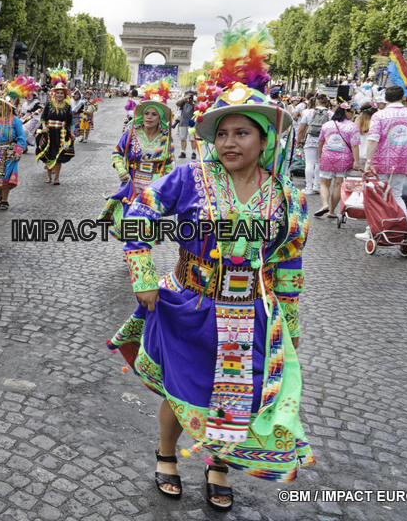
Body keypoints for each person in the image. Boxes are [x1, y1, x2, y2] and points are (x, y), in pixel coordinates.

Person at [107, 28, 313, 510]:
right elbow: (140, 213)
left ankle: (218, 464)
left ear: (265, 138)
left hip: (252, 314)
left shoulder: (289, 198)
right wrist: (142, 275)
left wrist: (292, 322)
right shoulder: (189, 178)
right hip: (190, 304)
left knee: (236, 398)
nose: (228, 141)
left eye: (241, 132)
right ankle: (166, 454)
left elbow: (289, 262)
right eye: (220, 132)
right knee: (184, 390)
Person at [101, 79, 174, 237]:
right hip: (132, 183)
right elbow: (117, 153)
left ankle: (139, 248)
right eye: (146, 113)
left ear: (160, 118)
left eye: (154, 114)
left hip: (154, 187)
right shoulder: (131, 133)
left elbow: (169, 163)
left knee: (147, 224)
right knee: (130, 219)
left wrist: (167, 182)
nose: (149, 117)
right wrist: (121, 170)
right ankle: (132, 247)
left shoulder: (166, 138)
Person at [356, 86, 407, 241]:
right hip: (402, 160)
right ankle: (406, 227)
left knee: (378, 196)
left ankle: (372, 229)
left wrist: (368, 160)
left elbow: (373, 139)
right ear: (403, 97)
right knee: (397, 195)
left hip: (381, 161)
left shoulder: (380, 116)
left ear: (385, 98)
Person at [313, 104, 360, 219]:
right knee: (338, 185)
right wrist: (357, 161)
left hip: (327, 156)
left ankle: (325, 205)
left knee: (324, 183)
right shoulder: (353, 127)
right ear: (347, 112)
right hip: (344, 159)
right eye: (352, 112)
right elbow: (355, 146)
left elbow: (320, 142)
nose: (353, 114)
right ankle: (332, 211)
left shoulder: (327, 125)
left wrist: (320, 155)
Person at [0, 76, 31, 210]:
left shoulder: (15, 121)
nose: (0, 108)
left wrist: (18, 151)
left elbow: (21, 137)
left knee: (6, 178)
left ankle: (5, 199)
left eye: (3, 105)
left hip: (9, 152)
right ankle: (0, 195)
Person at [36, 68, 74, 185]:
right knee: (48, 154)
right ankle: (48, 176)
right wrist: (44, 126)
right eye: (57, 92)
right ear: (54, 93)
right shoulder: (49, 104)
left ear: (64, 94)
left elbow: (69, 122)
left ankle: (57, 177)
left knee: (59, 157)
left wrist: (71, 133)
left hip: (61, 133)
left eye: (61, 93)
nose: (59, 95)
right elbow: (43, 117)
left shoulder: (67, 107)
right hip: (49, 132)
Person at [296, 94, 329, 195]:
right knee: (319, 163)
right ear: (326, 103)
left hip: (310, 140)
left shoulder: (309, 112)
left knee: (309, 163)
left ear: (317, 102)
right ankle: (317, 186)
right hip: (324, 141)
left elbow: (301, 128)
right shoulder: (330, 114)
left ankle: (309, 187)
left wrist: (299, 140)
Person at [175, 90, 196, 159]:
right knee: (183, 138)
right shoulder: (183, 102)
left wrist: (192, 102)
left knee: (192, 139)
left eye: (191, 95)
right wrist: (184, 99)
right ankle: (183, 152)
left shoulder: (195, 102)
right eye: (188, 95)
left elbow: (199, 109)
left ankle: (194, 153)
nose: (190, 97)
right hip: (183, 123)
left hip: (192, 123)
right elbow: (177, 104)